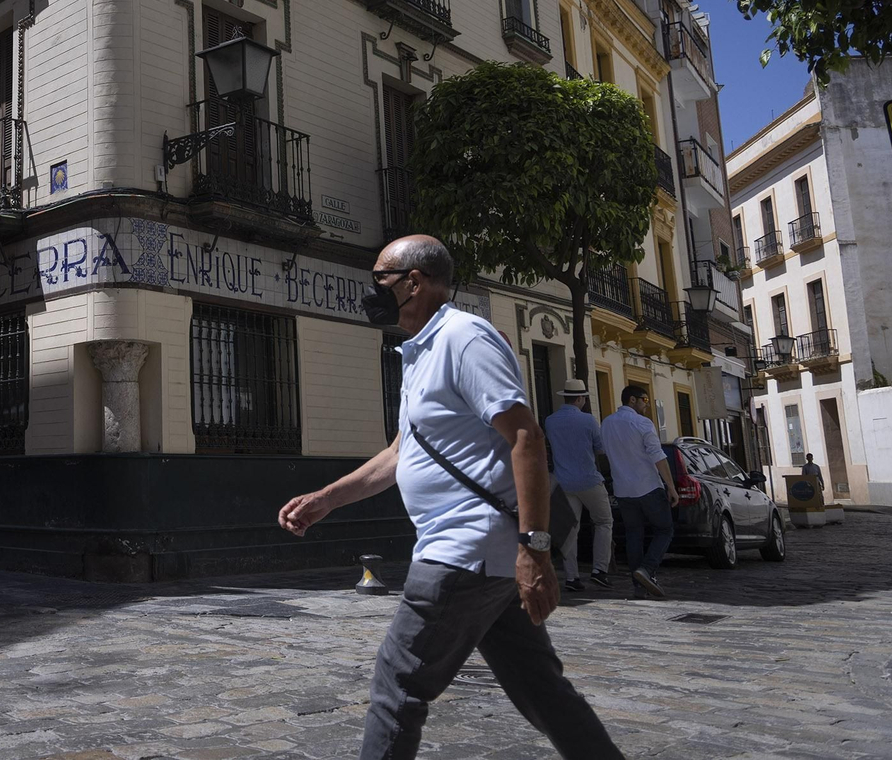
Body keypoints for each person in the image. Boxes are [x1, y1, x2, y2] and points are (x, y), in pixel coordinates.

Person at [278, 236, 622, 759]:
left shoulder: (464, 338)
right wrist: (327, 498)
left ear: (413, 282)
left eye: (380, 278)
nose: (372, 289)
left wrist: (535, 549)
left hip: (462, 550)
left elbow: (526, 436)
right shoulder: (421, 351)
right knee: (542, 690)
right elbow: (402, 453)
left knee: (397, 686)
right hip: (483, 557)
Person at [601, 385, 679, 601]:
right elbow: (657, 455)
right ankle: (647, 569)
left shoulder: (606, 423)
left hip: (623, 490)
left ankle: (639, 586)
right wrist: (671, 487)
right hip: (648, 487)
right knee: (665, 529)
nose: (647, 405)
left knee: (634, 534)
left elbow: (604, 453)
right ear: (632, 400)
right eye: (644, 400)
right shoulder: (642, 423)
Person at [542, 379, 613, 592]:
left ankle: (572, 577)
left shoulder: (550, 421)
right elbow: (600, 449)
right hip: (588, 479)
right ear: (580, 398)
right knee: (604, 522)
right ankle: (599, 570)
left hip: (563, 482)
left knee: (571, 530)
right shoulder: (588, 420)